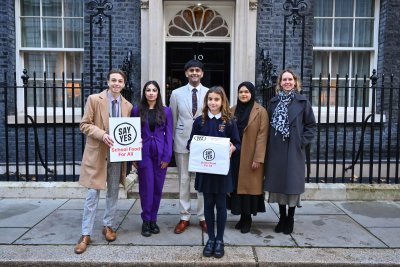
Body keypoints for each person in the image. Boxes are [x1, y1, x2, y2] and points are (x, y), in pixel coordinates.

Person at [74, 69, 133, 254]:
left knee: (113, 192)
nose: (116, 83)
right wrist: (102, 134)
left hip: (116, 156)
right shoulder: (94, 99)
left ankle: (108, 226)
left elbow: (127, 131)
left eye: (120, 81)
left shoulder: (128, 106)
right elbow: (84, 124)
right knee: (92, 194)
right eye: (113, 80)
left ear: (124, 84)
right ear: (108, 82)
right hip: (97, 154)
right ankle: (85, 234)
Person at [188, 86, 241, 258]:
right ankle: (210, 239)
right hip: (205, 170)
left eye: (216, 99)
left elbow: (237, 143)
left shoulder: (230, 121)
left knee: (221, 205)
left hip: (222, 171)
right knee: (208, 205)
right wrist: (193, 146)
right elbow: (190, 143)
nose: (213, 102)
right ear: (206, 101)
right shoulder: (199, 121)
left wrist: (233, 147)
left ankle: (220, 240)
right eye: (210, 99)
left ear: (222, 101)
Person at [264, 69, 316, 235]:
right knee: (279, 184)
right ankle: (282, 217)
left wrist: (302, 141)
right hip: (276, 148)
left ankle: (290, 218)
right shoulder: (273, 102)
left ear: (295, 82)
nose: (287, 82)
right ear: (280, 83)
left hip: (294, 149)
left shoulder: (303, 102)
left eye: (290, 79)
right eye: (284, 80)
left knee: (292, 184)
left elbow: (311, 126)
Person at [169, 59, 209, 234]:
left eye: (197, 70)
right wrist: (171, 141)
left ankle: (203, 217)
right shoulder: (176, 94)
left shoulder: (209, 93)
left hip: (203, 143)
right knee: (184, 180)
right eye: (191, 70)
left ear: (202, 74)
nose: (194, 73)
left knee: (202, 182)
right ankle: (184, 216)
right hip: (181, 141)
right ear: (186, 73)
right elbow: (173, 119)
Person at [131, 81, 173, 237]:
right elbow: (132, 134)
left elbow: (169, 135)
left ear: (158, 93)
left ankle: (154, 219)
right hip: (144, 153)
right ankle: (146, 220)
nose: (151, 93)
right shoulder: (136, 110)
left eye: (154, 90)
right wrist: (133, 156)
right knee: (146, 188)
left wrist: (167, 156)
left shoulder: (166, 111)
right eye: (148, 90)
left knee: (157, 188)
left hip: (161, 154)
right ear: (144, 92)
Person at [228, 81, 268, 234]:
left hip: (251, 157)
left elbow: (262, 136)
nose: (243, 94)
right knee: (237, 188)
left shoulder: (261, 111)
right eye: (241, 92)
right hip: (235, 156)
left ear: (252, 93)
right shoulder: (232, 110)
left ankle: (247, 219)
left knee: (249, 190)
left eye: (246, 92)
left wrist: (258, 158)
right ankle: (241, 218)